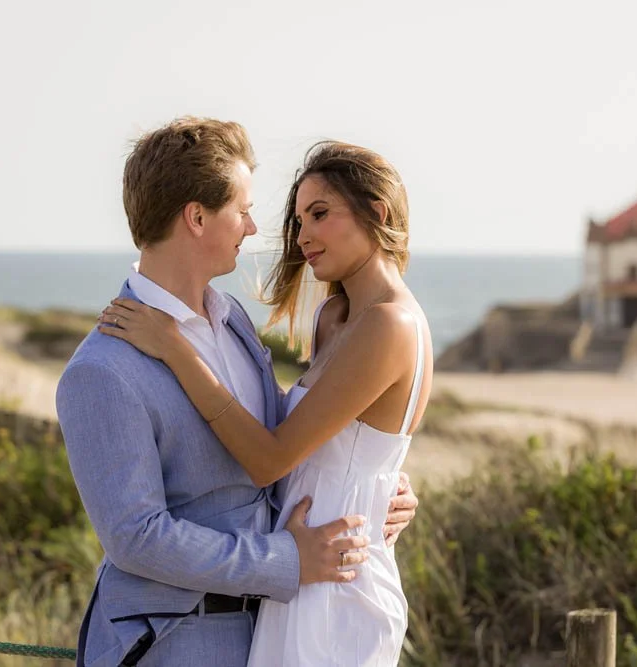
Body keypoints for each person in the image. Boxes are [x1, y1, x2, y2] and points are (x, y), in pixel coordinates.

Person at [56, 118, 419, 667]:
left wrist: (377, 484)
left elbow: (288, 443)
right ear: (197, 217)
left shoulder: (236, 326)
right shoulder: (103, 370)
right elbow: (136, 538)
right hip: (172, 645)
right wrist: (286, 561)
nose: (254, 228)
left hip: (279, 630)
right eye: (243, 209)